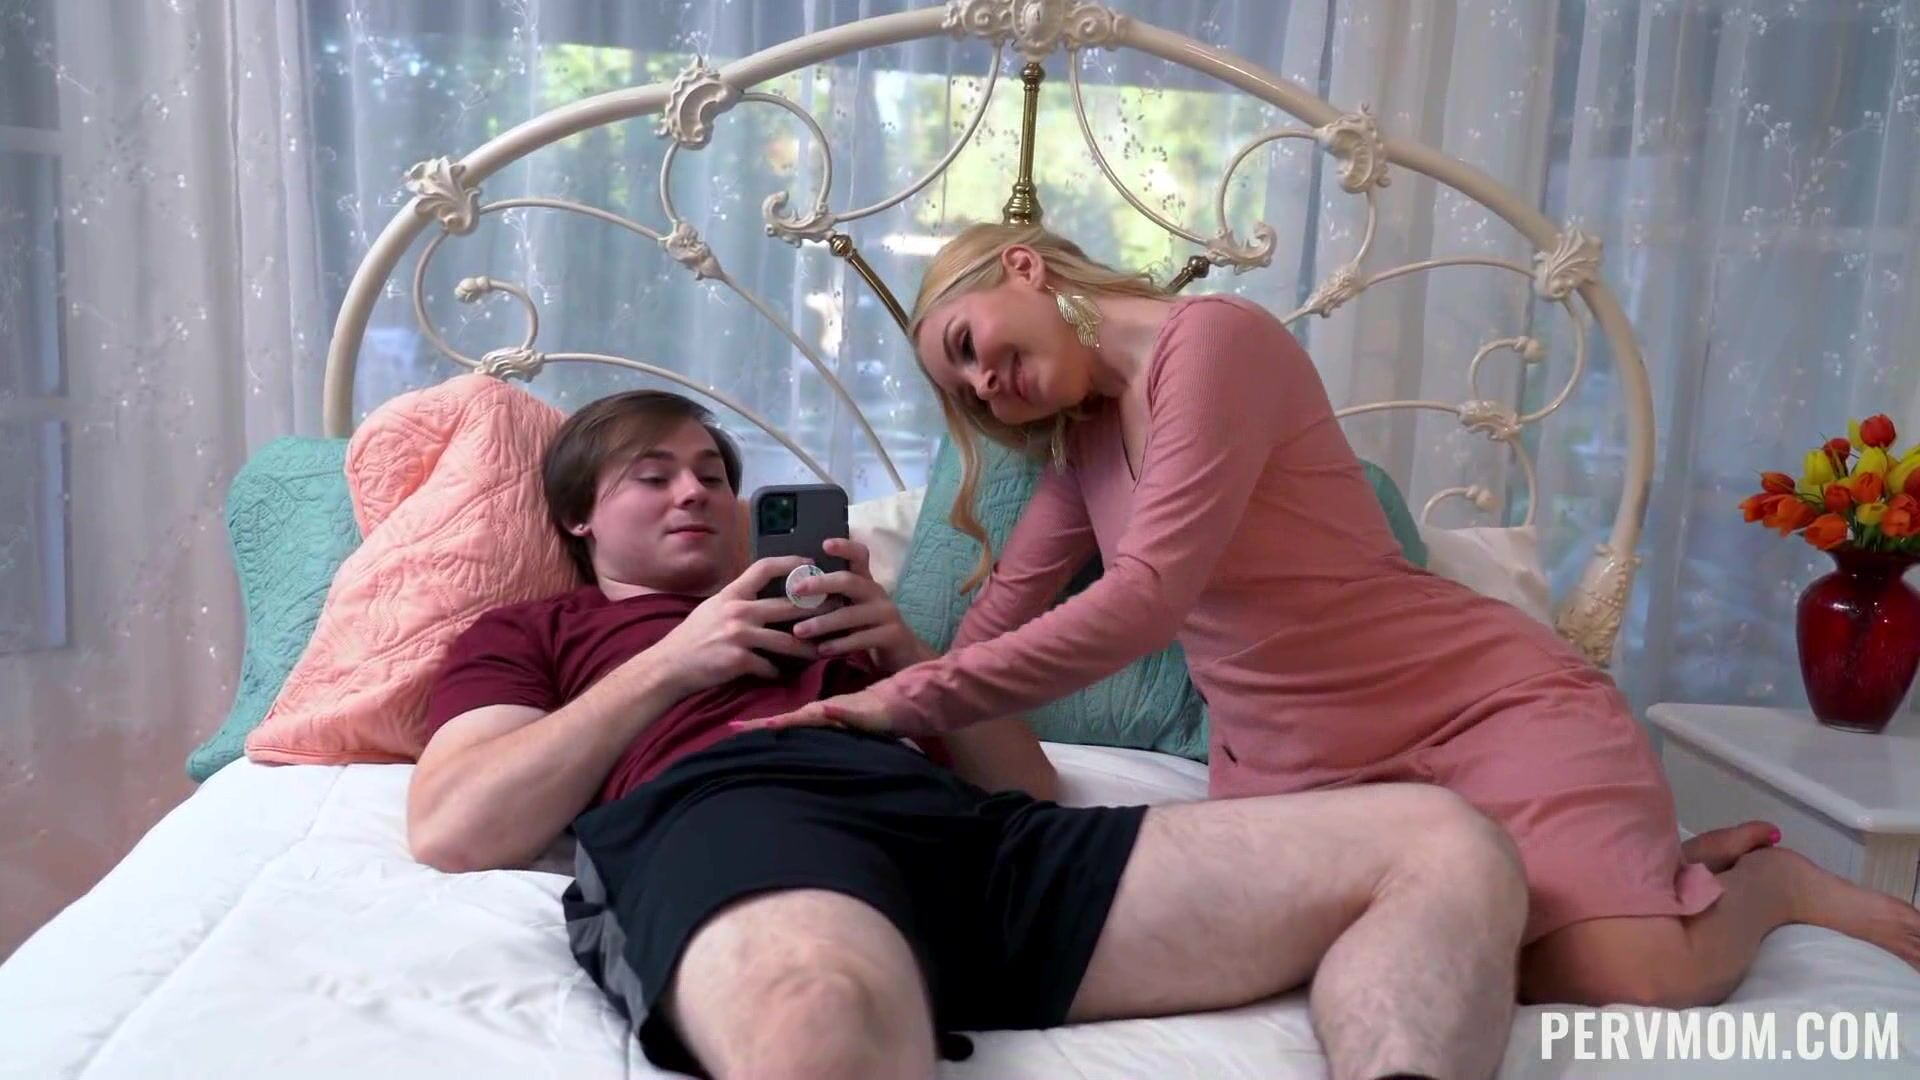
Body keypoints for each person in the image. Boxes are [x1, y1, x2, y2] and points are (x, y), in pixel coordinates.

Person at [738, 222, 1920, 1009]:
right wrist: (894, 669)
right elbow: (996, 623)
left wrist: (909, 699)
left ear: (1022, 270)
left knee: (1633, 978)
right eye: (962, 389)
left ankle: (1772, 887)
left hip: (1476, 704)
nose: (984, 383)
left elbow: (1148, 599)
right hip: (1305, 774)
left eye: (968, 346)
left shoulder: (1217, 344)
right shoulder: (1080, 445)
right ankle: (1664, 862)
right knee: (1444, 962)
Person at [406, 388, 1529, 1080]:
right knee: (818, 1016)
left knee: (1437, 839)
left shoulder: (845, 621)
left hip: (964, 839)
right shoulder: (535, 630)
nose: (694, 494)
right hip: (741, 818)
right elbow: (456, 825)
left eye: (711, 475)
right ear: (578, 516)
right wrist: (672, 662)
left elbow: (1031, 789)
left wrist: (914, 664)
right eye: (652, 477)